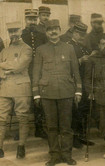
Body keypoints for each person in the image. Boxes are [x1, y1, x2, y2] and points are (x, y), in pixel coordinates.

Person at [32, 19, 81, 166]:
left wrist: (78, 91)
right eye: (50, 30)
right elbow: (36, 73)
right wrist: (36, 93)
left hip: (66, 92)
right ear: (46, 33)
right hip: (47, 93)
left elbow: (76, 72)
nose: (53, 32)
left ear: (60, 30)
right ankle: (54, 156)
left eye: (56, 29)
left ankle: (67, 155)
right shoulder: (41, 50)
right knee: (51, 127)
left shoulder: (69, 48)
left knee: (66, 127)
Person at [0, 21, 32, 159]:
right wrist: (6, 71)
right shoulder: (4, 51)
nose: (13, 34)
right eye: (11, 31)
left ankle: (21, 146)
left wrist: (3, 66)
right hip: (5, 86)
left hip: (21, 87)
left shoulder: (27, 49)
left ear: (20, 31)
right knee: (1, 118)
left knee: (22, 117)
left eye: (15, 31)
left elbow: (20, 66)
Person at [67, 21, 94, 148]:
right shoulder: (68, 46)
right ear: (74, 33)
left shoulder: (83, 46)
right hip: (73, 83)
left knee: (83, 110)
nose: (82, 37)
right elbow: (66, 65)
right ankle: (74, 138)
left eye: (84, 34)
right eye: (80, 34)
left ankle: (81, 136)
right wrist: (80, 60)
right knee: (75, 111)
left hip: (83, 82)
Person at [21, 8, 48, 139]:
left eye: (34, 19)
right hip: (24, 72)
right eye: (29, 19)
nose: (32, 22)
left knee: (39, 99)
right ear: (25, 20)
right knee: (24, 100)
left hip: (39, 72)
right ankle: (22, 130)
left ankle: (39, 128)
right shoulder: (20, 35)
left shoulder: (42, 36)